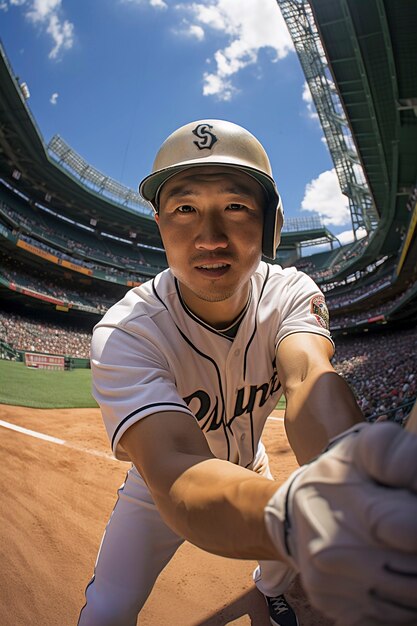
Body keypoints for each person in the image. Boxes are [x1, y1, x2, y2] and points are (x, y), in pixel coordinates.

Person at [79, 119, 417, 626]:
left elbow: (308, 377)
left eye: (235, 207)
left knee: (278, 573)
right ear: (160, 224)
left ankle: (272, 591)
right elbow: (174, 466)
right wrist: (303, 516)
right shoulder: (127, 331)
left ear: (269, 223)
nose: (208, 238)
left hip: (252, 464)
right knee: (109, 608)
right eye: (185, 209)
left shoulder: (289, 292)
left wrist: (349, 481)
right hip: (158, 491)